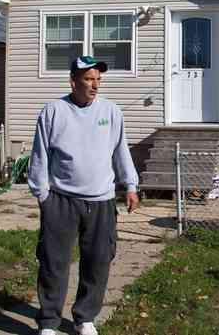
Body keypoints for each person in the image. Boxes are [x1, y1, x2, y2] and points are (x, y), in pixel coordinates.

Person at [28, 55, 140, 335]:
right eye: (89, 79)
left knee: (98, 262)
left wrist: (131, 185)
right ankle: (50, 322)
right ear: (73, 81)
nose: (95, 85)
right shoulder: (54, 111)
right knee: (54, 263)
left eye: (98, 79)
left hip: (101, 201)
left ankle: (84, 318)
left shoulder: (111, 112)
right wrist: (42, 194)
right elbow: (40, 155)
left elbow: (120, 151)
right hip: (60, 200)